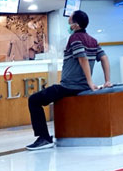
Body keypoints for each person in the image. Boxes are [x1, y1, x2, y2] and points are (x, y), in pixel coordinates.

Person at [26, 10, 112, 150]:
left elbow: (82, 58)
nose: (68, 24)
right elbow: (104, 58)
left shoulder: (74, 38)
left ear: (76, 25)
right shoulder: (93, 40)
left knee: (34, 100)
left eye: (70, 22)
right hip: (81, 86)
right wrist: (107, 80)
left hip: (69, 87)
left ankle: (44, 138)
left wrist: (90, 82)